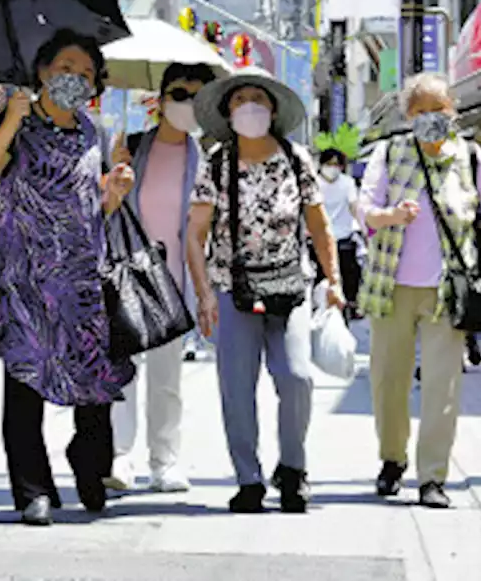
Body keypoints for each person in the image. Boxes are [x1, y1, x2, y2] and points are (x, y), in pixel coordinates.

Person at [0, 29, 136, 527]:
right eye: (65, 68)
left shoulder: (91, 132)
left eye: (85, 73)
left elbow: (88, 206)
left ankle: (89, 461)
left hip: (83, 280)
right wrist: (12, 117)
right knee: (24, 386)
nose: (75, 79)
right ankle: (32, 490)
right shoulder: (16, 123)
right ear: (42, 72)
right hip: (25, 280)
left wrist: (113, 194)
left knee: (96, 387)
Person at [357, 73, 481, 509]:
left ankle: (432, 477)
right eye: (421, 112)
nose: (432, 119)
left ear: (453, 110)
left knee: (442, 386)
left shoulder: (469, 157)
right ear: (408, 117)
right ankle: (392, 459)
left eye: (439, 110)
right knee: (388, 383)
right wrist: (389, 215)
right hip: (390, 286)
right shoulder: (389, 152)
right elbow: (364, 207)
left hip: (447, 289)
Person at [186, 66, 344, 514]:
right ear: (227, 112)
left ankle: (293, 469)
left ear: (273, 108)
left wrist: (333, 281)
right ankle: (248, 478)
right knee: (237, 387)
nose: (248, 106)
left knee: (296, 376)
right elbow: (194, 233)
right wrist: (203, 294)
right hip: (231, 286)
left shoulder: (297, 158)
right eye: (238, 100)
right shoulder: (216, 162)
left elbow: (318, 223)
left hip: (290, 283)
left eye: (257, 98)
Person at [104, 62, 217, 495]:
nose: (186, 102)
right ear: (161, 97)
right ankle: (120, 455)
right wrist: (114, 184)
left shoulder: (207, 160)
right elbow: (104, 212)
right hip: (128, 275)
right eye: (178, 92)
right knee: (122, 372)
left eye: (196, 94)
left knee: (168, 379)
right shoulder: (130, 147)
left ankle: (164, 461)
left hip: (176, 281)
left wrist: (206, 292)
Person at [318, 148, 363, 320]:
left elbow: (355, 208)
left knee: (349, 275)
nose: (332, 168)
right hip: (319, 240)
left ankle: (350, 304)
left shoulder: (347, 183)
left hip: (343, 238)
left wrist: (366, 230)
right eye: (329, 164)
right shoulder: (314, 183)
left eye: (336, 164)